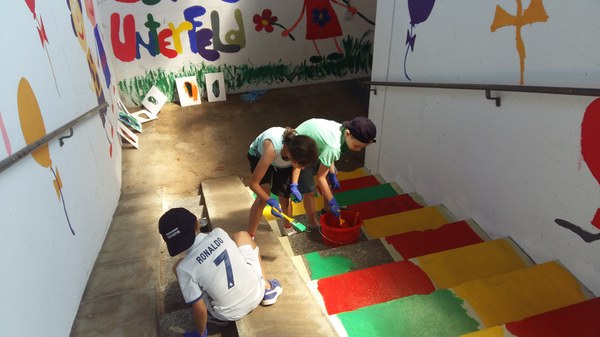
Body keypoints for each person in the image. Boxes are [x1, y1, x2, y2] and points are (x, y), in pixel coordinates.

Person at [159, 208, 282, 337]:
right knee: (242, 235)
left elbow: (200, 310)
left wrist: (201, 333)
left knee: (179, 268)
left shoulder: (183, 269)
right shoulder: (219, 233)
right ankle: (268, 288)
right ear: (197, 223)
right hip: (257, 291)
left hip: (225, 314)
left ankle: (215, 315)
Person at [290, 117, 376, 228]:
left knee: (332, 174)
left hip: (317, 146)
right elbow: (321, 177)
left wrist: (331, 174)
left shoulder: (342, 130)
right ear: (348, 133)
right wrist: (333, 201)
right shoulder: (334, 146)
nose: (358, 150)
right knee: (309, 190)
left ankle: (327, 210)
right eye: (356, 145)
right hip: (300, 150)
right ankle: (313, 223)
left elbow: (328, 152)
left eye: (362, 147)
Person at [247, 126, 318, 237]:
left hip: (282, 161)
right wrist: (269, 200)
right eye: (302, 165)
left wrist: (294, 184)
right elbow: (253, 184)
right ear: (290, 156)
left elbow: (297, 166)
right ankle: (250, 235)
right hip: (259, 156)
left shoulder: (298, 147)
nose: (303, 169)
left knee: (285, 198)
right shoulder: (271, 149)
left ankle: (287, 226)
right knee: (263, 197)